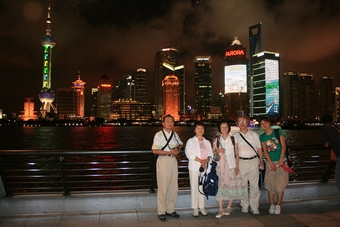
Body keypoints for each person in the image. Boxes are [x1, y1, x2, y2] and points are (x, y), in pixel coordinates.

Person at [151, 114, 183, 222]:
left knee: (173, 186)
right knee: (163, 186)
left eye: (172, 121)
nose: (170, 123)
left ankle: (170, 209)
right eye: (168, 121)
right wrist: (169, 152)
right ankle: (161, 211)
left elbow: (180, 145)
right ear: (163, 123)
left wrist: (177, 149)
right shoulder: (158, 135)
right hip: (163, 160)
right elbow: (155, 150)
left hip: (173, 160)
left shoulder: (175, 134)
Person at [212, 121, 246, 218]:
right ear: (219, 129)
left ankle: (229, 207)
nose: (224, 129)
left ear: (229, 128)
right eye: (222, 127)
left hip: (232, 166)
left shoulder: (233, 139)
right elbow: (212, 153)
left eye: (226, 127)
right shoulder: (217, 140)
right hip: (221, 167)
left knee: (231, 187)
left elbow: (237, 153)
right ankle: (221, 209)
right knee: (221, 187)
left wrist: (237, 166)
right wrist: (218, 151)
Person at [233, 115, 264, 214]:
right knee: (243, 185)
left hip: (254, 161)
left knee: (255, 185)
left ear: (247, 123)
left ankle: (254, 206)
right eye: (239, 121)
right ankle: (245, 205)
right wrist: (236, 166)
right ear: (237, 124)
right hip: (241, 162)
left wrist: (261, 161)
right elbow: (235, 152)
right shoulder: (235, 136)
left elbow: (259, 148)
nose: (241, 123)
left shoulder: (254, 135)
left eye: (244, 121)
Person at [259, 117, 289, 215]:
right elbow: (265, 151)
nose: (264, 125)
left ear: (269, 123)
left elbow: (284, 146)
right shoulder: (262, 136)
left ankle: (278, 205)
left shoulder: (278, 131)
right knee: (270, 184)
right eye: (262, 124)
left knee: (280, 184)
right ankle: (272, 205)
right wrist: (271, 163)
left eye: (265, 123)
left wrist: (281, 159)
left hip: (281, 161)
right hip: (269, 162)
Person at [185, 121, 213, 217]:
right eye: (198, 128)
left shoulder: (207, 142)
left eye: (202, 128)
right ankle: (195, 208)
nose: (200, 130)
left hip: (204, 167)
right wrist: (201, 161)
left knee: (202, 188)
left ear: (204, 130)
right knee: (194, 187)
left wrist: (206, 161)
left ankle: (202, 207)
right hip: (194, 167)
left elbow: (210, 154)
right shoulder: (190, 141)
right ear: (194, 130)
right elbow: (189, 154)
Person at [321, 115, 340, 193]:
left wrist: (326, 142)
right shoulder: (334, 128)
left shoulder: (325, 128)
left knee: (338, 177)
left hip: (339, 154)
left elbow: (324, 141)